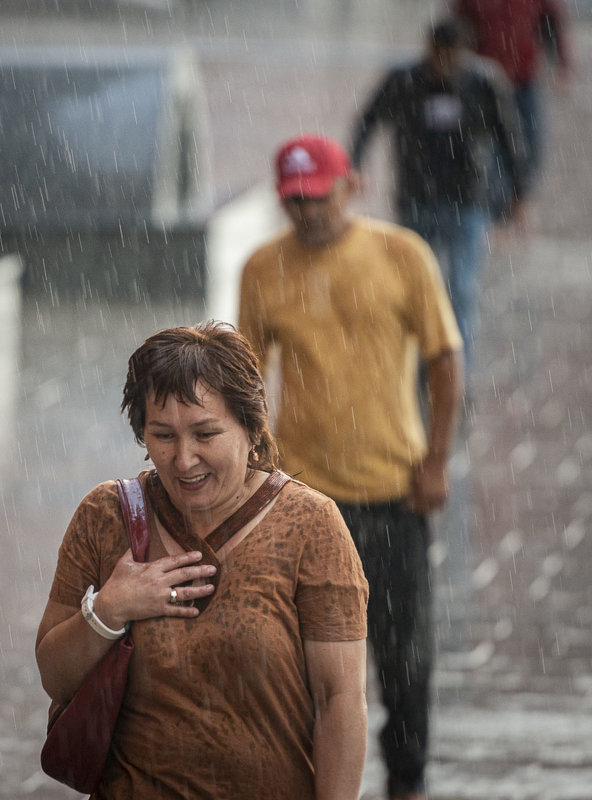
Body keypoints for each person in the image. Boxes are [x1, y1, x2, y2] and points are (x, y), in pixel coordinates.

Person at [36, 321, 370, 799]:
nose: (184, 459)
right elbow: (55, 677)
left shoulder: (310, 525)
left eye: (205, 433)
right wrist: (109, 611)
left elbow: (340, 701)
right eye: (163, 435)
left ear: (252, 430)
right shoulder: (105, 515)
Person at [238, 135, 463, 800]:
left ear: (352, 186)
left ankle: (407, 779)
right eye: (293, 201)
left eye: (318, 196)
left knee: (404, 658)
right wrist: (254, 480)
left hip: (392, 491)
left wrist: (437, 462)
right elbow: (246, 382)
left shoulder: (402, 255)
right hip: (305, 501)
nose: (307, 212)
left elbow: (445, 360)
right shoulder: (261, 269)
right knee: (308, 662)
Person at [350, 19, 525, 371]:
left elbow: (509, 138)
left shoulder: (483, 83)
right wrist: (355, 165)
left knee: (461, 288)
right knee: (413, 289)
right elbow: (368, 120)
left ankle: (457, 371)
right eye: (437, 56)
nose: (443, 65)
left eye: (450, 57)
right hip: (417, 198)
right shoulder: (404, 80)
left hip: (468, 200)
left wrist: (518, 194)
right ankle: (414, 370)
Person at [453, 0, 573, 192]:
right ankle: (490, 200)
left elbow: (552, 22)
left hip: (523, 77)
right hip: (485, 82)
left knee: (530, 142)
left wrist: (562, 65)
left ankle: (519, 197)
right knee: (483, 144)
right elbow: (458, 25)